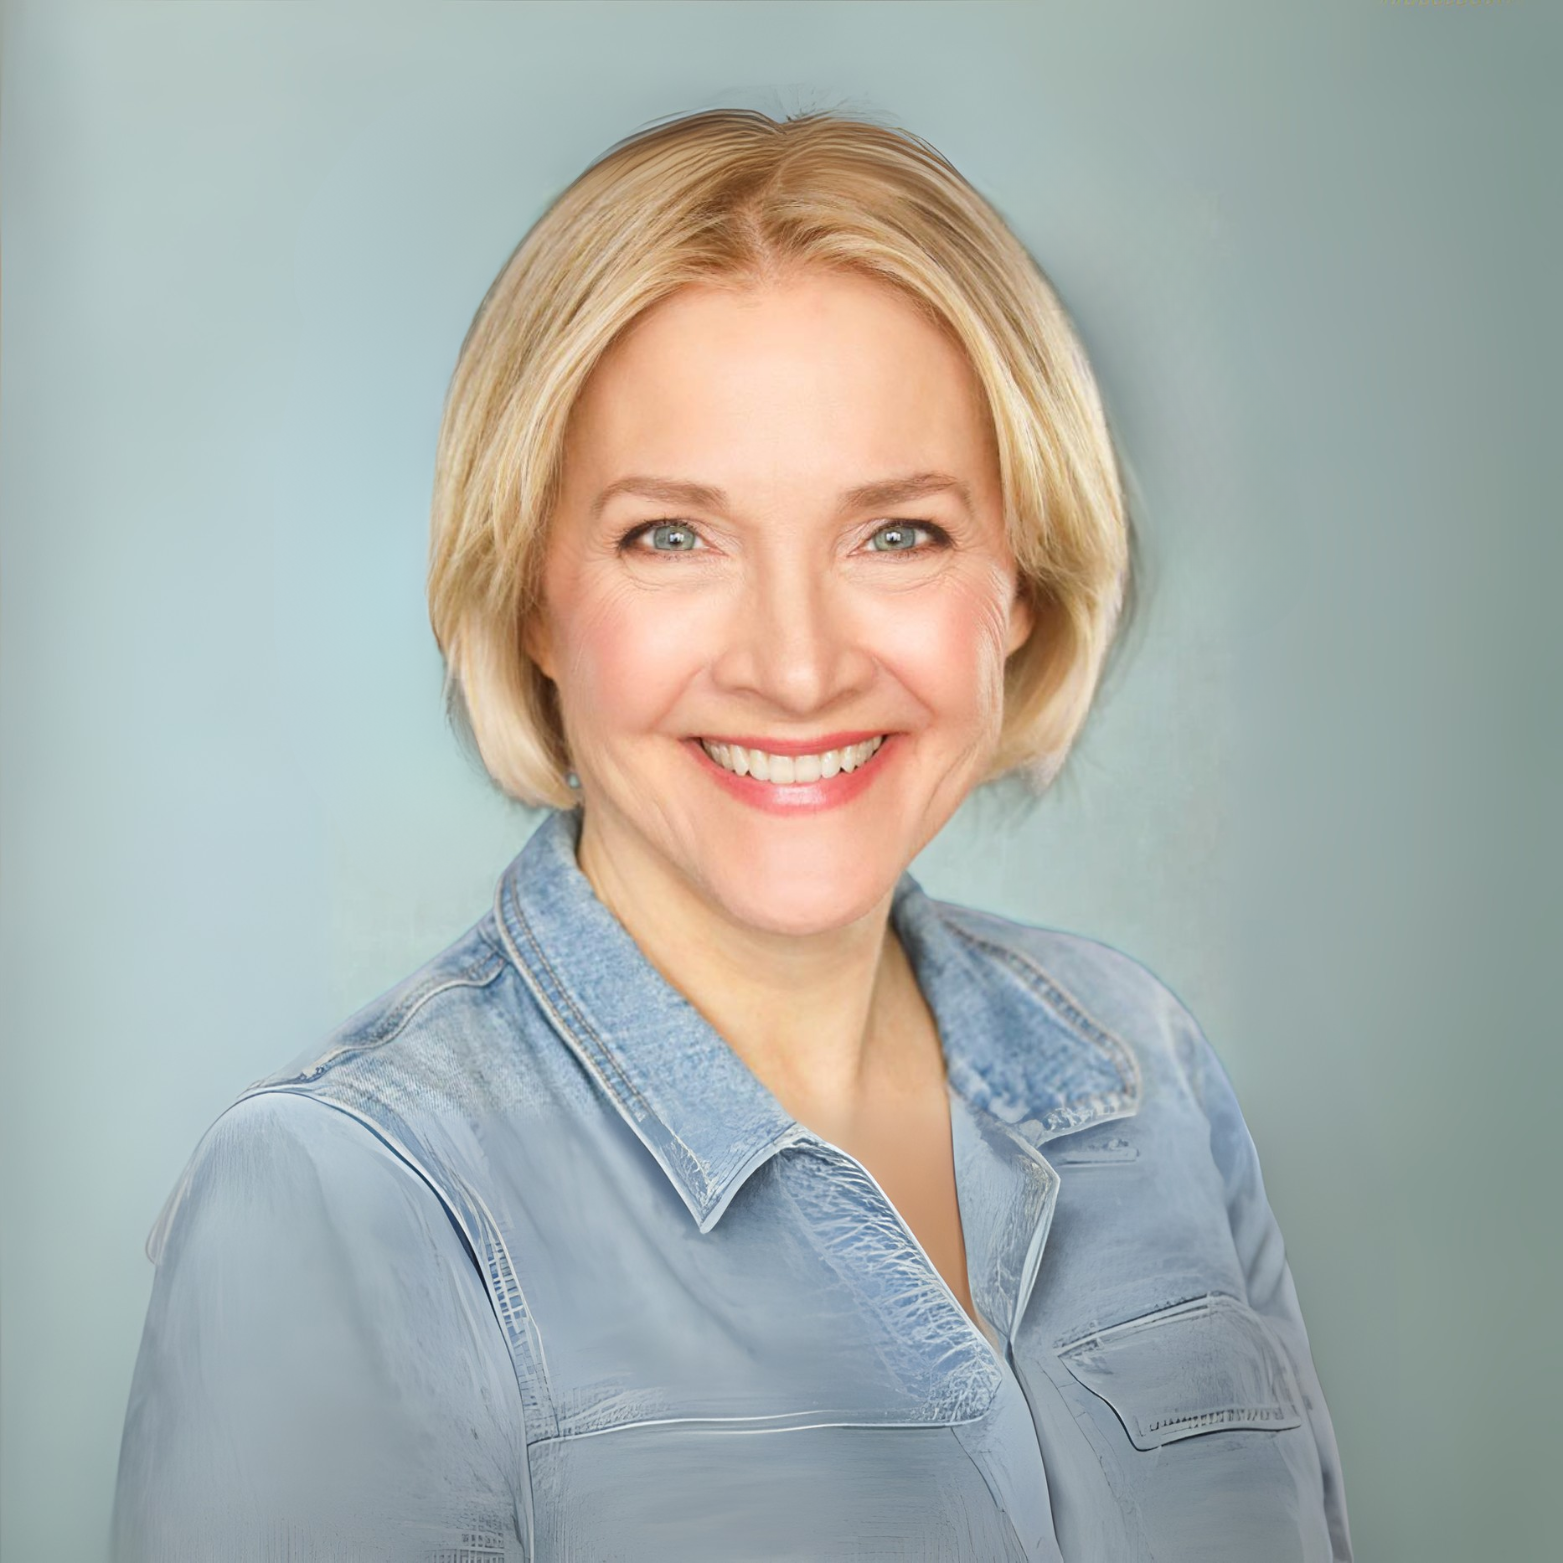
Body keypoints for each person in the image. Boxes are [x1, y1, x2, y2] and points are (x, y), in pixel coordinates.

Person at [112, 109, 1352, 1562]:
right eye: (670, 536)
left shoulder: (1142, 1074)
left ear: (1016, 583)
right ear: (530, 600)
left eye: (896, 533)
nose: (796, 663)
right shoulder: (350, 1197)